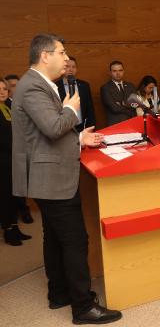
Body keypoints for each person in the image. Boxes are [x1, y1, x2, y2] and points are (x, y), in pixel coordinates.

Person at [11, 34, 121, 324]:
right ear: (45, 56)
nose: (66, 58)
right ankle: (83, 307)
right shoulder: (33, 86)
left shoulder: (39, 83)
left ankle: (59, 293)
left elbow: (44, 134)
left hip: (48, 174)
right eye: (61, 52)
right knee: (75, 240)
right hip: (52, 178)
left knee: (55, 238)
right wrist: (72, 109)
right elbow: (52, 126)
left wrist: (79, 138)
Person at [0, 78, 31, 246]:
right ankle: (8, 230)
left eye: (4, 89)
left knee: (13, 196)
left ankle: (15, 227)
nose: (2, 92)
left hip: (13, 158)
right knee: (5, 196)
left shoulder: (8, 107)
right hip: (3, 160)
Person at [57, 57, 96, 132]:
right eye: (67, 66)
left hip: (82, 127)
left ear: (76, 69)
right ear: (62, 68)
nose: (71, 69)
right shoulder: (56, 86)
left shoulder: (84, 85)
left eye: (73, 67)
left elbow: (90, 109)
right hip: (64, 129)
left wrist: (92, 127)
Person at [100, 60, 136, 126]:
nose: (118, 73)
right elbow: (114, 108)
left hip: (132, 122)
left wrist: (121, 103)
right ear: (110, 73)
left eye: (120, 70)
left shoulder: (130, 86)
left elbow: (135, 104)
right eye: (114, 71)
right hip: (116, 124)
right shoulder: (105, 88)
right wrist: (128, 108)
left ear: (123, 71)